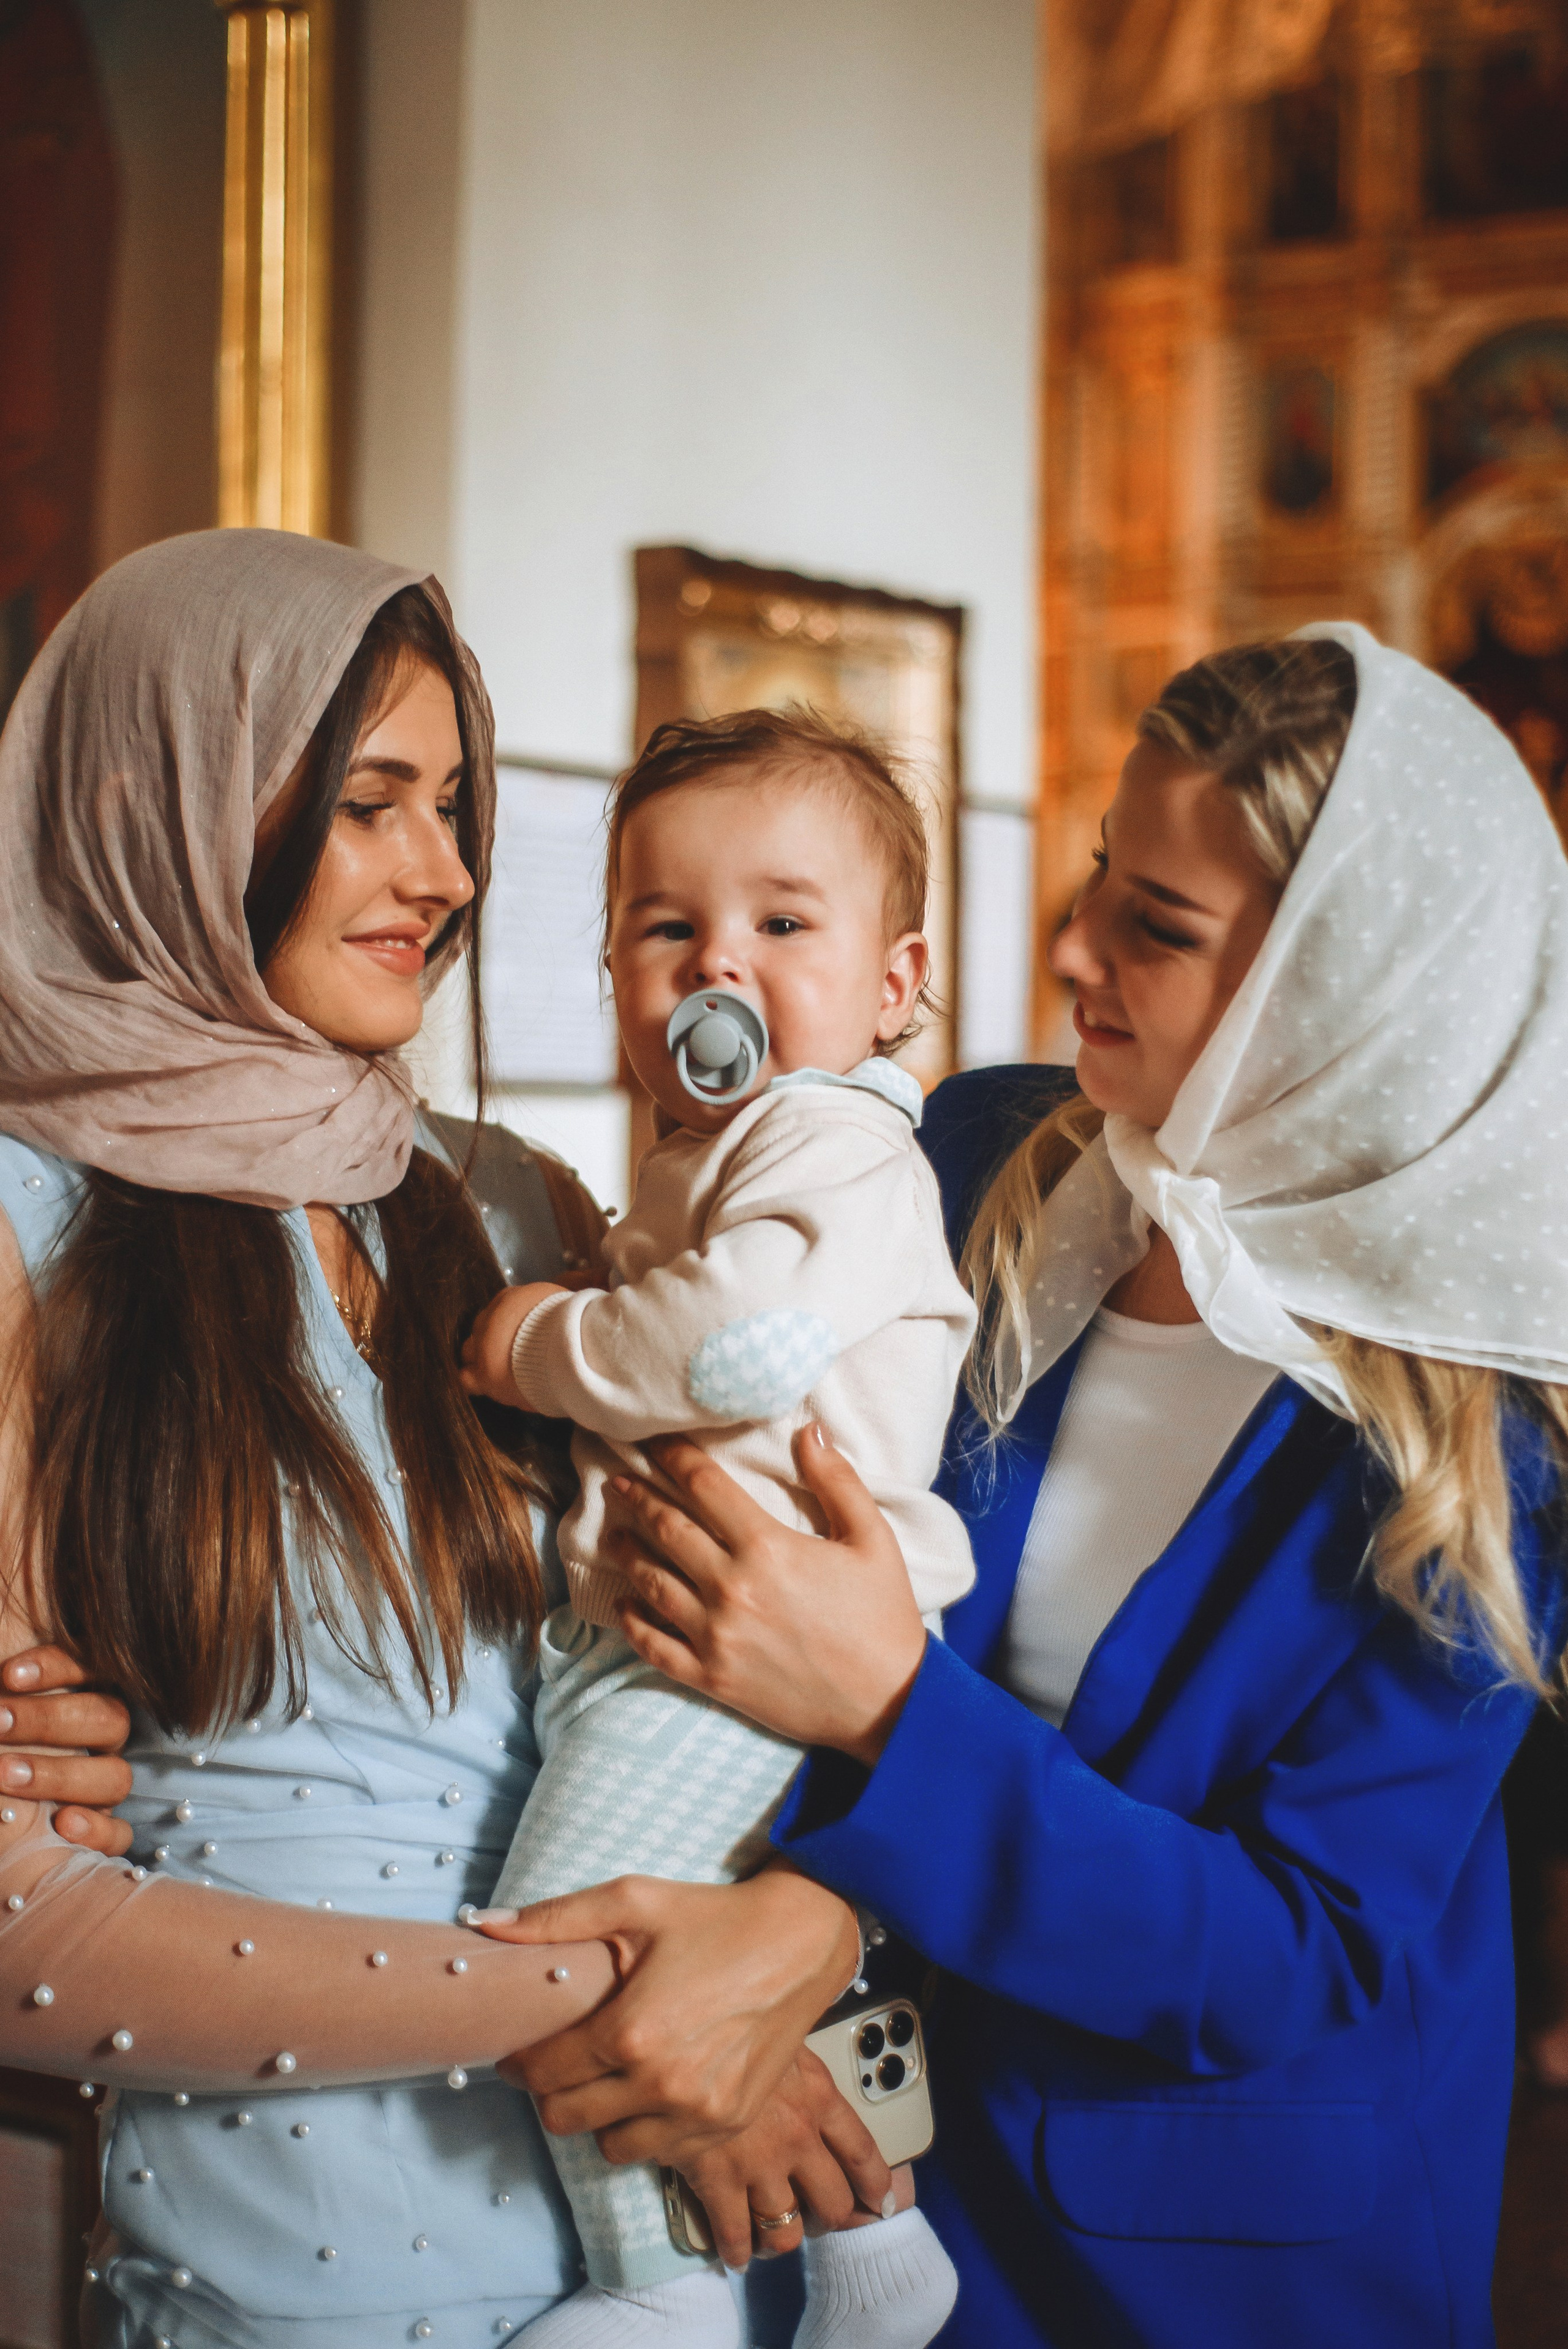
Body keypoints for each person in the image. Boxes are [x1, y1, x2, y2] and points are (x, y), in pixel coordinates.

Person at [560, 625, 1568, 2347]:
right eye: (1107, 869)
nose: (1073, 942)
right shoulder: (970, 1152)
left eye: (1156, 927)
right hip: (866, 2176)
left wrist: (888, 1703)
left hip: (1205, 2255)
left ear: (1342, 989)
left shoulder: (1486, 1441)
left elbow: (1294, 1951)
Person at [0, 529, 893, 2349]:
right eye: (373, 805)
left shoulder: (506, 1205)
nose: (451, 870)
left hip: (663, 2249)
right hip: (287, 2279)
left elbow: (727, 1655)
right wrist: (613, 1988)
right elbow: (20, 1935)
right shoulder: (32, 1220)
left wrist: (803, 1933)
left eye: (459, 805)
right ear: (155, 805)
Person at [461, 710, 974, 2349]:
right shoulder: (705, 1166)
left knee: (570, 1938)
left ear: (893, 984)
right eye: (665, 927)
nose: (717, 967)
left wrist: (537, 1340)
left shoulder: (833, 1141)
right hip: (685, 1645)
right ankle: (880, 2254)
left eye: (780, 922)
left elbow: (741, 1343)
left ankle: (658, 2297)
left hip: (740, 1657)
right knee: (685, 1954)